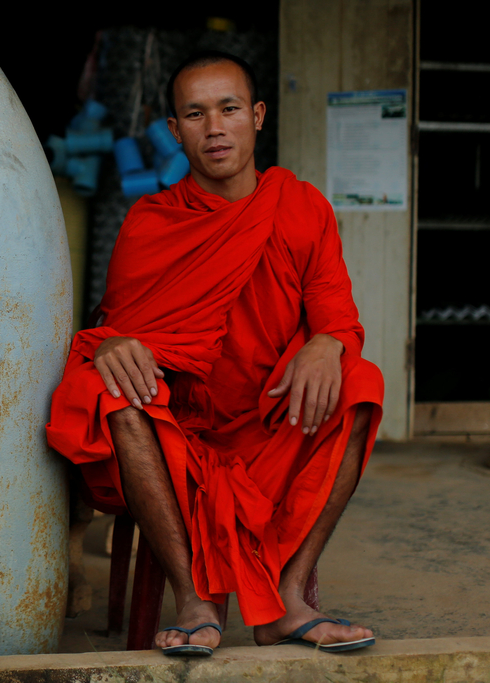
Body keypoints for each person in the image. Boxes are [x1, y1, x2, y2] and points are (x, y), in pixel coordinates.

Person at [46, 50, 384, 656]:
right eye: (195, 115)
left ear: (257, 116)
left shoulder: (301, 208)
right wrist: (114, 344)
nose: (215, 128)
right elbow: (120, 335)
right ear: (175, 132)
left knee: (359, 381)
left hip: (270, 422)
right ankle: (193, 600)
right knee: (110, 390)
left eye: (229, 109)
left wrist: (327, 343)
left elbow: (340, 316)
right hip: (183, 432)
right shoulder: (150, 221)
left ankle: (285, 602)